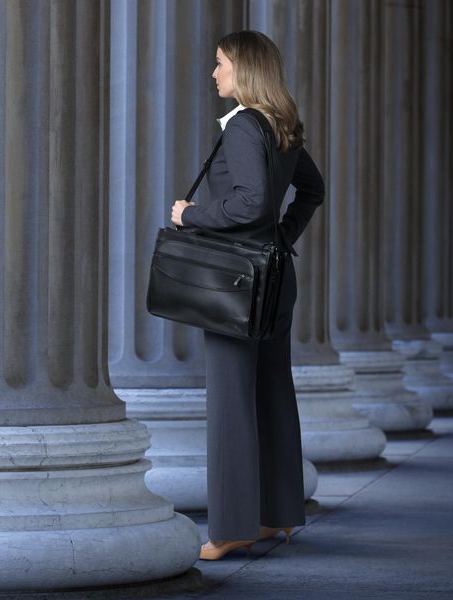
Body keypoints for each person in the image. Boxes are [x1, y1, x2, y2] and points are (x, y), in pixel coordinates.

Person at [169, 30, 325, 561]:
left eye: (220, 64)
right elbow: (313, 189)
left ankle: (231, 528)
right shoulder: (281, 123)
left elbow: (249, 204)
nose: (214, 74)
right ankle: (275, 515)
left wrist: (190, 215)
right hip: (277, 277)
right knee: (272, 392)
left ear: (245, 69)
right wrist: (282, 239)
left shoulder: (242, 125)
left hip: (239, 283)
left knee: (232, 401)